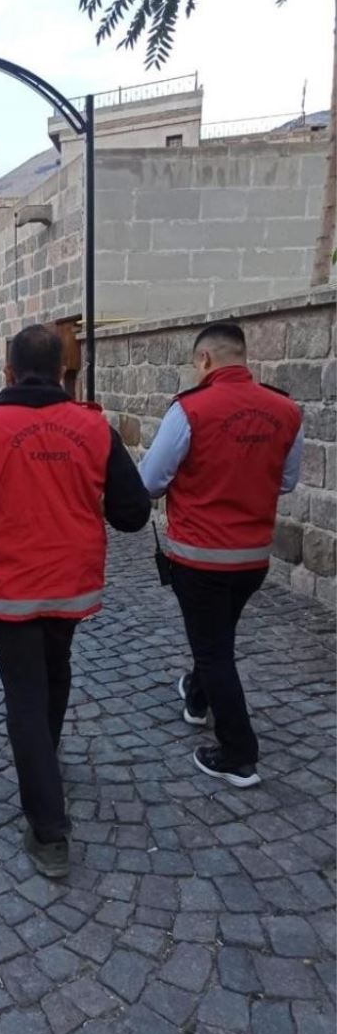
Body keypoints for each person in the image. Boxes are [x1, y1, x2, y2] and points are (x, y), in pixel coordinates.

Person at [0, 324, 151, 877]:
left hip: (10, 585)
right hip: (72, 581)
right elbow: (133, 514)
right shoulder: (93, 427)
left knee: (25, 693)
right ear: (62, 373)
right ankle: (45, 756)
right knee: (56, 667)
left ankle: (49, 830)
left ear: (8, 372)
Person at [139, 322, 303, 789]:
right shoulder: (286, 410)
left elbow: (150, 481)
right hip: (252, 557)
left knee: (214, 651)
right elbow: (287, 481)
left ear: (205, 359)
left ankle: (238, 753)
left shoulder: (190, 409)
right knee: (217, 637)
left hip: (199, 556)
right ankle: (196, 697)